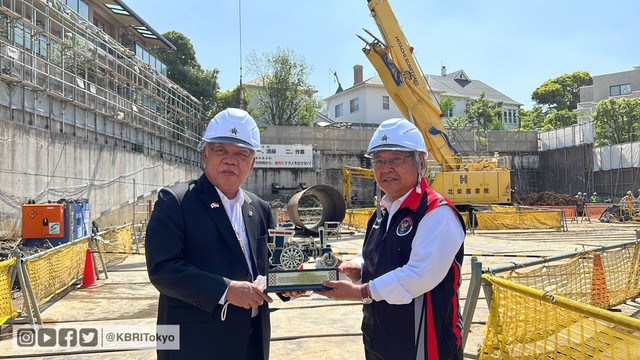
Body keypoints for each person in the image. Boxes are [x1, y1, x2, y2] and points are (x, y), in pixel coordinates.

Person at [316, 118, 466, 359]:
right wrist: (356, 267)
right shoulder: (382, 211)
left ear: (420, 161)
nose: (385, 168)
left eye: (396, 159)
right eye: (378, 161)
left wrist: (360, 292)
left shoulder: (436, 212)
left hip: (424, 345)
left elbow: (419, 275)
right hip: (379, 338)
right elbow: (376, 258)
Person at [146, 108, 278, 360]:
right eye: (221, 151)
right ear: (204, 155)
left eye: (241, 153)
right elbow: (162, 269)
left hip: (252, 342)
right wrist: (226, 290)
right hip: (196, 345)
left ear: (253, 163)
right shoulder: (176, 201)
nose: (231, 160)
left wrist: (289, 285)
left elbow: (268, 266)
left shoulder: (260, 209)